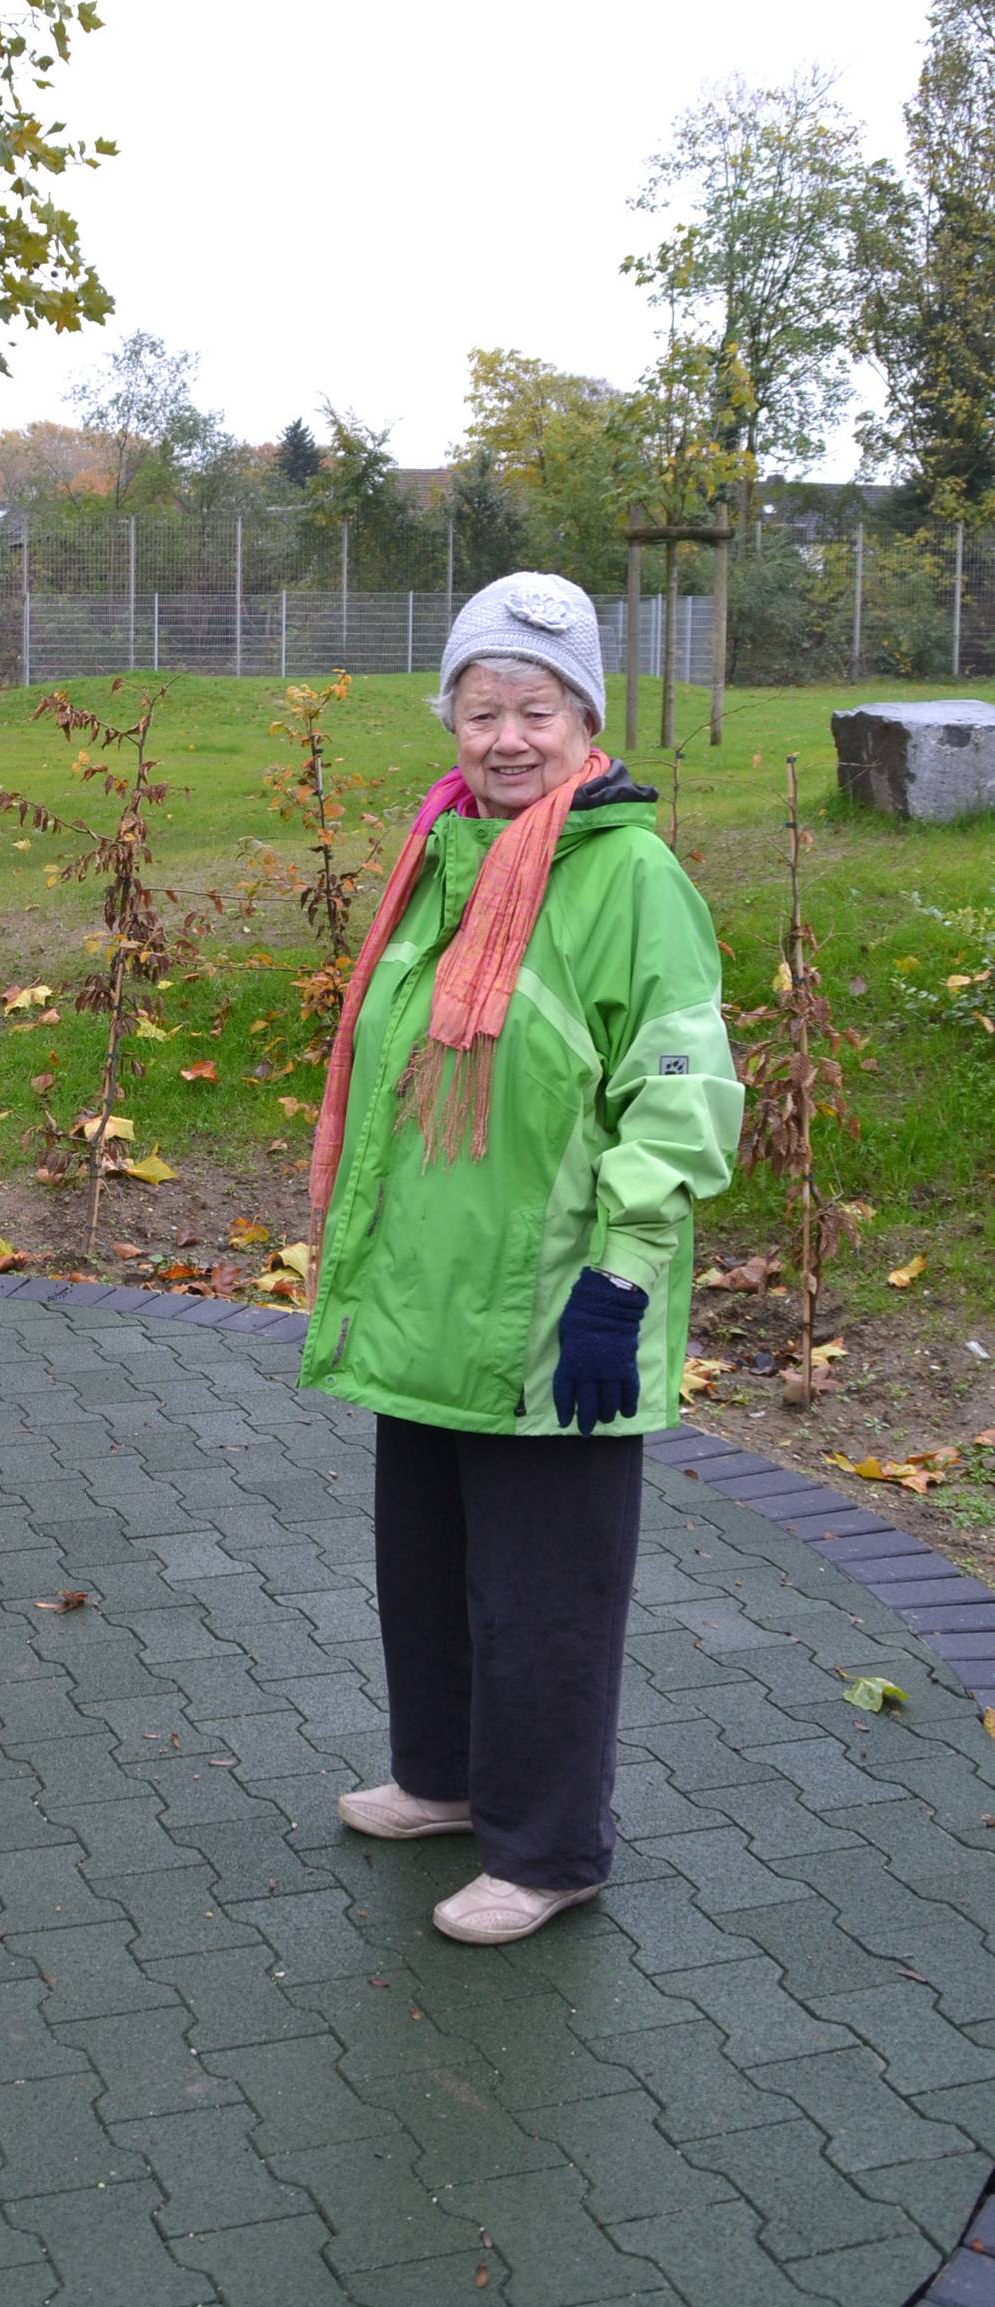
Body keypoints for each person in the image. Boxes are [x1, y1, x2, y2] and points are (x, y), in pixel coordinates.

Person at [299, 571, 741, 1946]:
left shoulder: (629, 876)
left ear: (584, 717)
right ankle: (444, 1777)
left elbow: (680, 1091)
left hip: (558, 1307)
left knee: (545, 1593)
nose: (504, 736)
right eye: (480, 707)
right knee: (428, 1562)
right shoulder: (448, 851)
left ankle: (550, 1848)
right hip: (432, 1297)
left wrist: (621, 1279)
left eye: (534, 710)